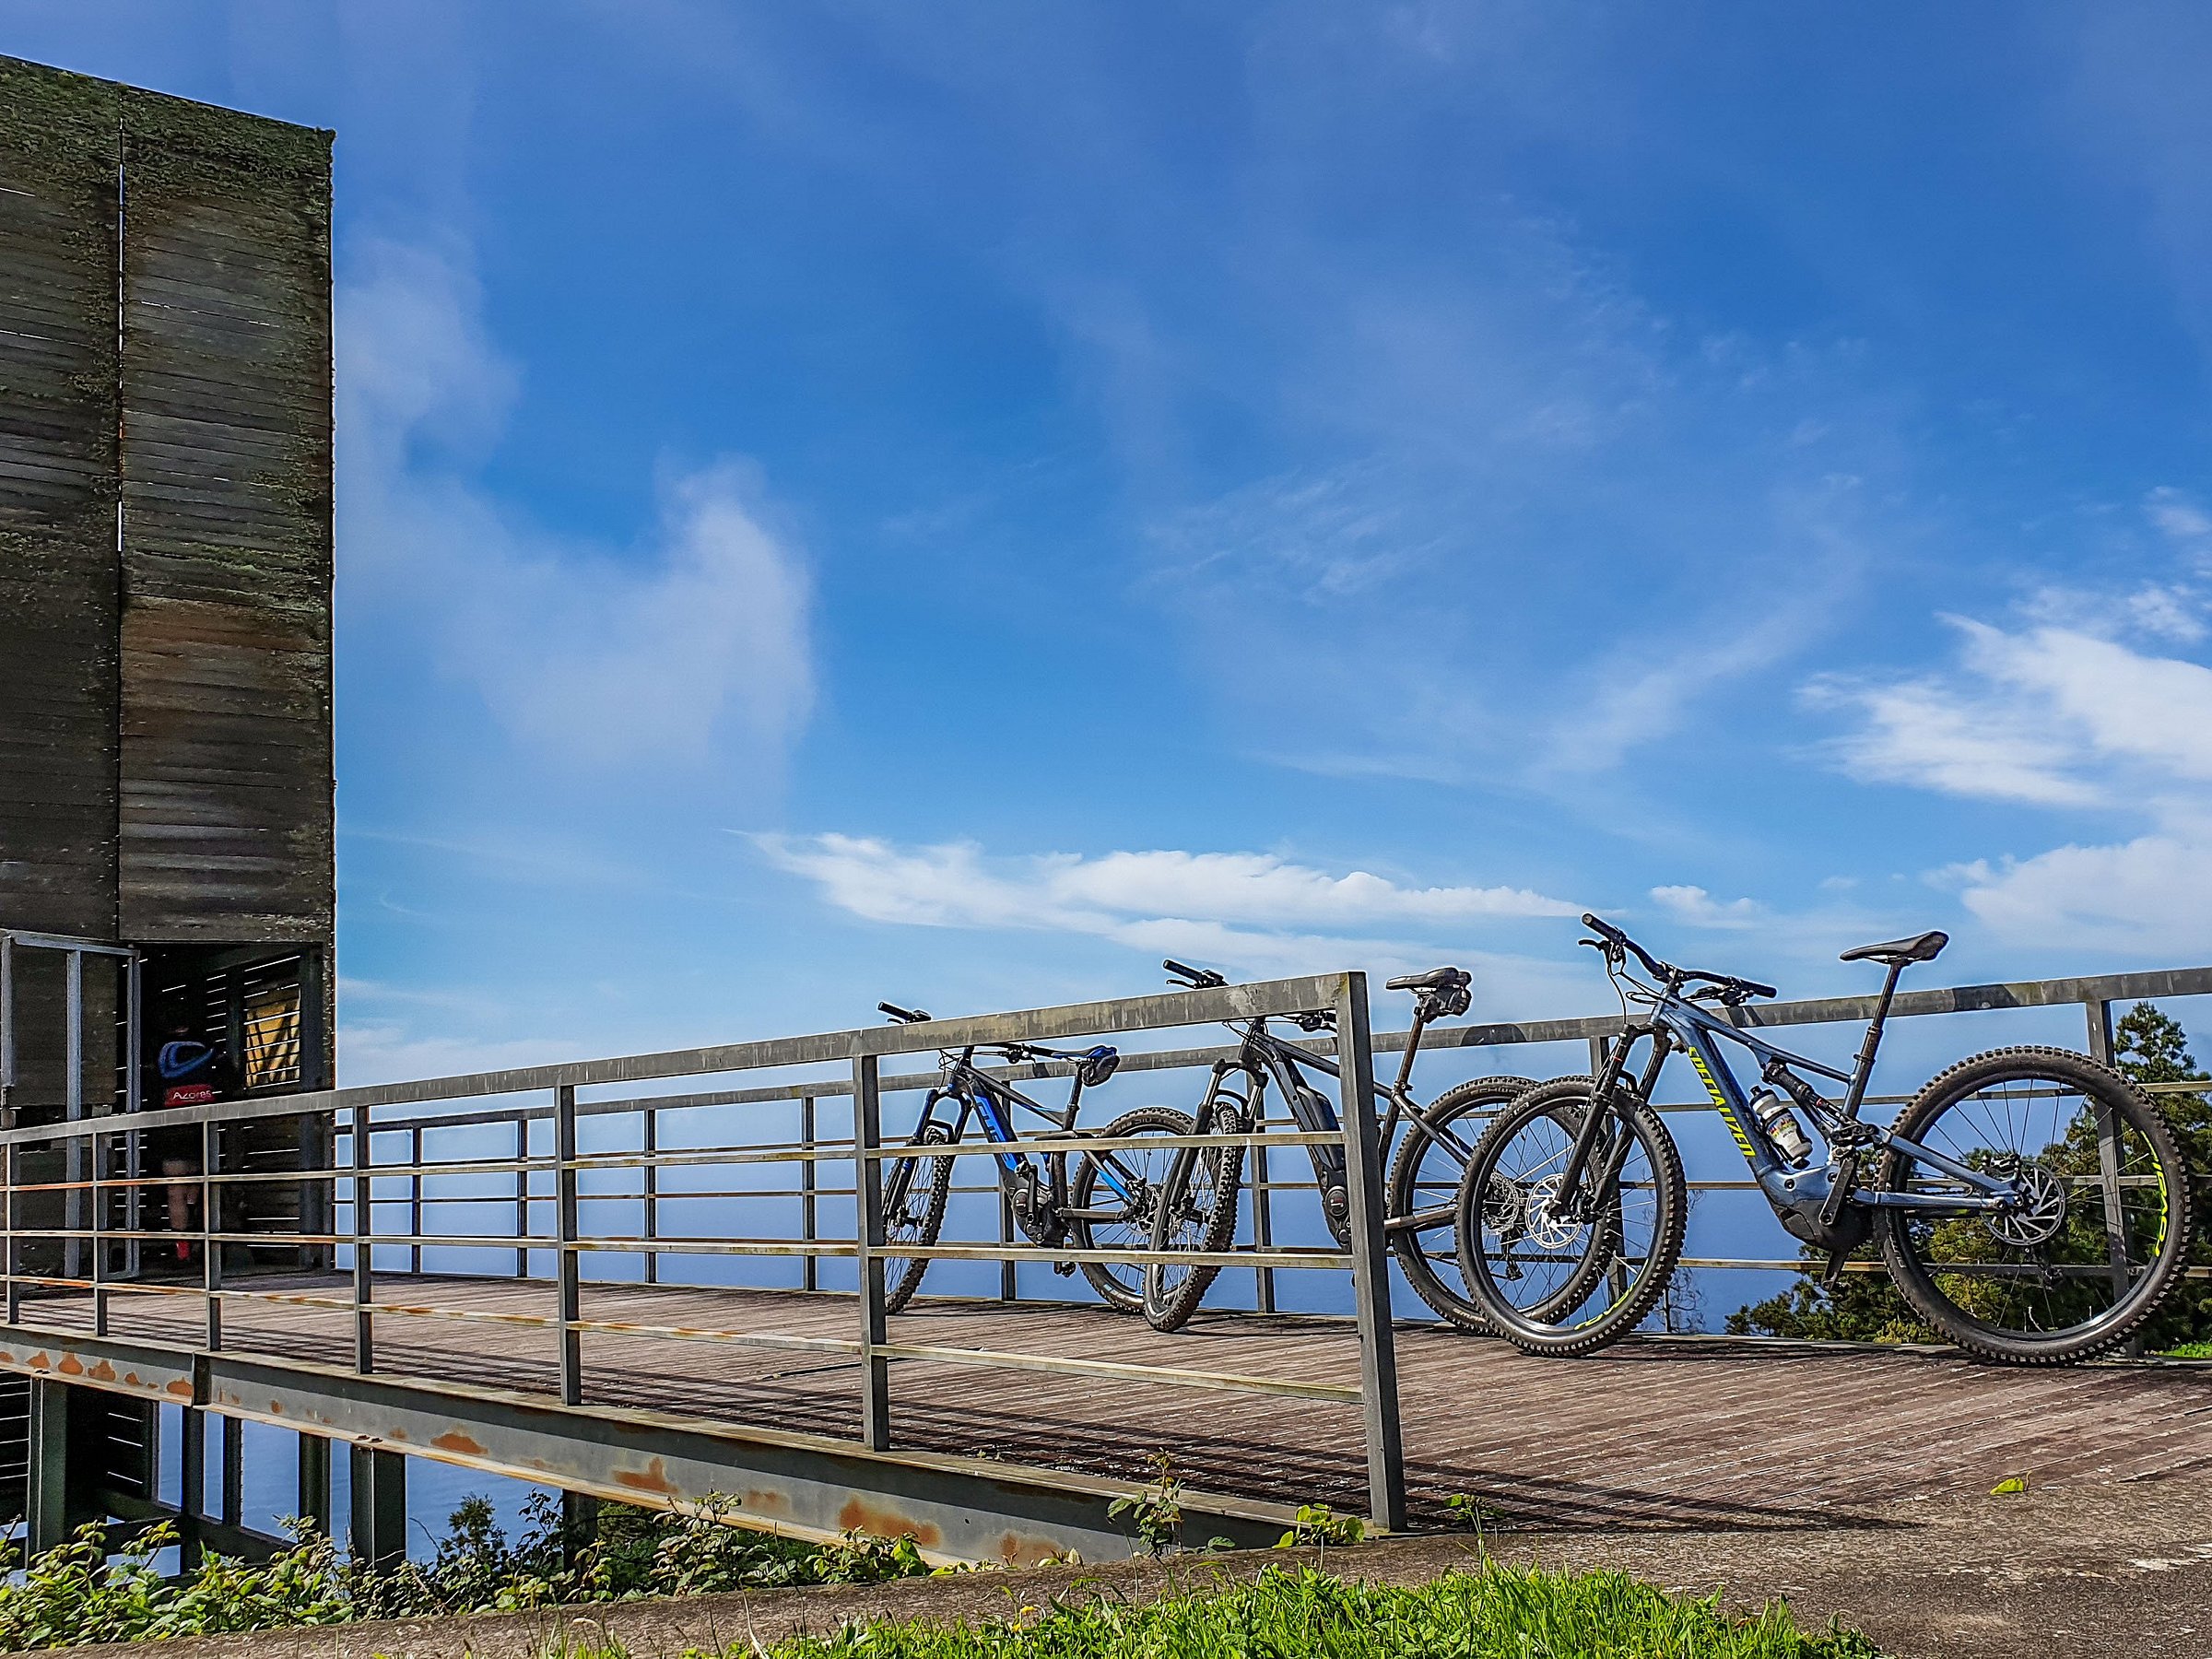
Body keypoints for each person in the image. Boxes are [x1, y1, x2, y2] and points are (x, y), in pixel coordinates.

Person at [151, 1021, 227, 1264]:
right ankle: (201, 1243)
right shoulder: (209, 1047)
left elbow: (154, 1086)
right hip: (205, 1123)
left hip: (173, 1124)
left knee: (176, 1191)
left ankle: (182, 1251)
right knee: (201, 1184)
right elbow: (230, 1079)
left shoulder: (160, 1049)